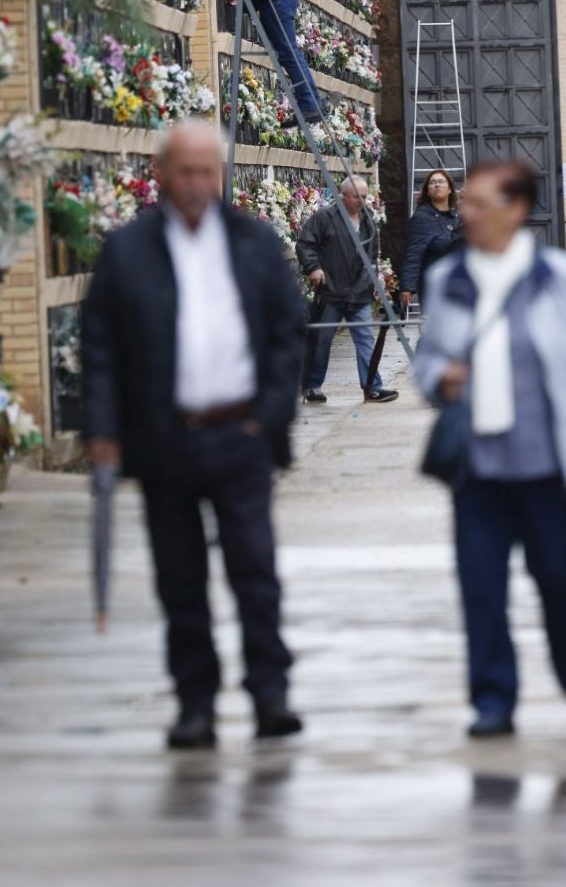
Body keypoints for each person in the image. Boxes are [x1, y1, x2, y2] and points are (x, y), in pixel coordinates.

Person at [81, 121, 308, 750]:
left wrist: (269, 414)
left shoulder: (253, 243)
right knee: (179, 578)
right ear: (160, 173)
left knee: (254, 569)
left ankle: (270, 692)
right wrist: (102, 431)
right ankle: (195, 702)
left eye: (208, 170)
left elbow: (289, 329)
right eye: (185, 171)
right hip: (165, 439)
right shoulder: (129, 251)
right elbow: (100, 347)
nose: (197, 184)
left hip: (240, 433)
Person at [414, 160, 566, 740]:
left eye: (478, 205)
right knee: (482, 589)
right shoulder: (452, 281)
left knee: (563, 584)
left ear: (516, 211)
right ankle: (493, 700)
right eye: (463, 203)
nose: (465, 213)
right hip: (480, 468)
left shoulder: (559, 279)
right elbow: (425, 361)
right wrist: (441, 377)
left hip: (550, 469)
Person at [296, 174, 398, 404]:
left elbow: (372, 257)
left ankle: (372, 386)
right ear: (342, 197)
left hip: (359, 292)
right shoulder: (324, 218)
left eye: (364, 197)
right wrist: (314, 268)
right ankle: (312, 386)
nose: (361, 201)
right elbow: (305, 244)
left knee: (365, 339)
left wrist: (365, 284)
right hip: (331, 290)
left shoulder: (369, 220)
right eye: (356, 197)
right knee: (322, 339)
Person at [399, 168, 460, 312]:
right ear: (427, 191)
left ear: (450, 189)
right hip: (434, 285)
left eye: (441, 181)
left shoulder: (455, 217)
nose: (437, 185)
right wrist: (407, 287)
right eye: (432, 183)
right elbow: (413, 253)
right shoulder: (422, 218)